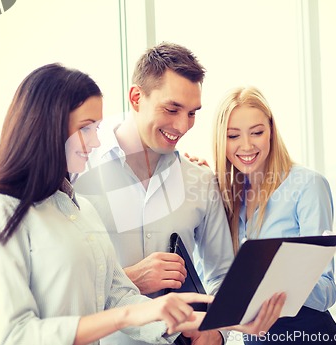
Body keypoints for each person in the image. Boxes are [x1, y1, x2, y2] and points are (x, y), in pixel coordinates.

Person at [0, 63, 217, 345]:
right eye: (86, 128)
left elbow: (118, 296)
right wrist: (122, 318)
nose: (96, 142)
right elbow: (17, 334)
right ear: (48, 126)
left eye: (97, 128)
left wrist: (198, 323)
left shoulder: (81, 208)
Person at [73, 42, 286, 345]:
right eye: (172, 109)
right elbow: (60, 284)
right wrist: (131, 278)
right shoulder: (78, 173)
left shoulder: (200, 181)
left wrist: (218, 332)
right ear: (136, 98)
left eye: (192, 113)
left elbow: (222, 274)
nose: (182, 125)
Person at [212, 86, 336, 344]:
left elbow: (327, 291)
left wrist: (277, 281)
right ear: (221, 140)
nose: (246, 145)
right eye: (233, 135)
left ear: (271, 131)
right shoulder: (224, 195)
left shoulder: (307, 186)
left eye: (257, 132)